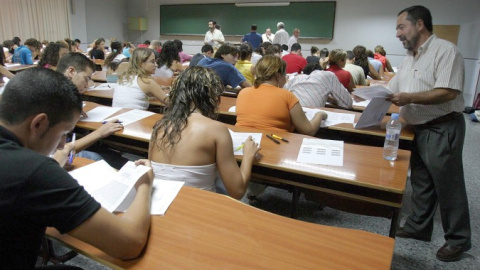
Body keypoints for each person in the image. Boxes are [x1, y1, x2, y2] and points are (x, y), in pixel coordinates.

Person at [0, 68, 153, 269]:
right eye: (64, 133)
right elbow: (129, 244)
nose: (63, 144)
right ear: (38, 124)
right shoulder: (35, 172)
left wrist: (52, 165)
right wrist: (143, 184)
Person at [386, 5, 471, 262]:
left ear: (419, 24)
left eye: (401, 27)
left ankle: (458, 240)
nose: (398, 34)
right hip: (417, 128)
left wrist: (409, 98)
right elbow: (391, 89)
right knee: (421, 181)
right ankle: (418, 227)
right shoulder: (410, 58)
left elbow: (448, 91)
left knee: (448, 185)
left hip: (442, 126)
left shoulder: (445, 51)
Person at [149, 66, 260, 199]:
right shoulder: (217, 130)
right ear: (210, 96)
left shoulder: (160, 126)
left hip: (158, 203)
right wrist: (248, 155)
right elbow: (237, 191)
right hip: (198, 206)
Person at [236, 55, 327, 135]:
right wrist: (319, 115)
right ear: (278, 76)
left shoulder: (243, 92)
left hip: (243, 141)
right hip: (275, 144)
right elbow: (309, 130)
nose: (286, 78)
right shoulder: (287, 95)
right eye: (285, 75)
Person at [285, 63, 352, 109]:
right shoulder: (328, 76)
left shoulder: (296, 78)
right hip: (309, 123)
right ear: (321, 71)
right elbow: (348, 103)